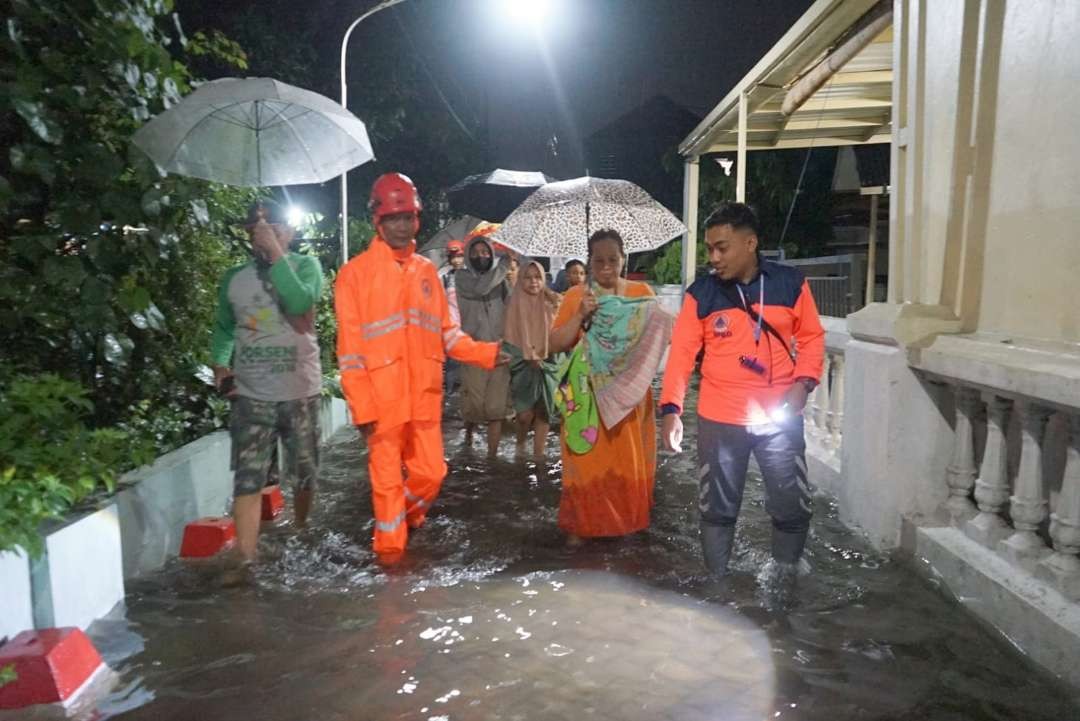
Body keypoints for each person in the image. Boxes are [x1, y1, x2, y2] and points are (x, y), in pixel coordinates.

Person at [335, 173, 503, 560]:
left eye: (408, 217)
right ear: (379, 220)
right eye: (394, 218)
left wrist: (490, 354)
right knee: (387, 486)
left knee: (432, 474)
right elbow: (349, 352)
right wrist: (362, 408)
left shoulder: (427, 272)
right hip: (381, 404)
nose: (402, 225)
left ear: (417, 219)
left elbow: (448, 335)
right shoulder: (354, 276)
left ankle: (401, 522)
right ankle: (391, 567)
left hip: (423, 400)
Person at [659, 202, 825, 575]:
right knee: (716, 508)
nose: (713, 258)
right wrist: (671, 409)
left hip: (780, 417)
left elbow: (812, 338)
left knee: (791, 503)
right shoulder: (701, 294)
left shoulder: (789, 283)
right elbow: (682, 354)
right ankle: (716, 583)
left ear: (750, 243)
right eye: (709, 249)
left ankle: (786, 575)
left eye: (722, 247)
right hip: (719, 419)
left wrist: (804, 383)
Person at [211, 200, 324, 563]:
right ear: (248, 235)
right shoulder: (234, 278)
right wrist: (220, 365)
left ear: (289, 232)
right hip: (251, 395)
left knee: (304, 472)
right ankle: (245, 560)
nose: (267, 234)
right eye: (260, 229)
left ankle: (302, 528)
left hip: (300, 391)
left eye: (276, 228)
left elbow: (298, 301)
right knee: (247, 477)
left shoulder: (307, 267)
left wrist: (276, 253)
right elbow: (225, 328)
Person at [548, 229, 661, 546]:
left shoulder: (641, 292)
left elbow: (655, 341)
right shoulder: (576, 296)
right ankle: (581, 529)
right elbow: (553, 343)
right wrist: (580, 316)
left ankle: (626, 528)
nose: (607, 267)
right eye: (599, 261)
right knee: (585, 465)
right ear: (590, 262)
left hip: (629, 400)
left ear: (623, 260)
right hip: (586, 401)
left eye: (613, 259)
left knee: (626, 466)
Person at [455, 232, 513, 458]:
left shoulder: (501, 280)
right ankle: (468, 435)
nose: (482, 256)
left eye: (485, 252)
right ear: (469, 256)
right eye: (477, 253)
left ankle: (492, 456)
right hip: (472, 350)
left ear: (491, 254)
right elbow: (481, 288)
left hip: (499, 350)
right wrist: (506, 263)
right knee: (474, 405)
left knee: (496, 408)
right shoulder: (462, 278)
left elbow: (512, 306)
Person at [503, 260, 562, 458]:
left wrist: (544, 356)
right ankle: (520, 445)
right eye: (527, 278)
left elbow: (560, 334)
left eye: (537, 277)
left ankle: (539, 454)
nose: (533, 282)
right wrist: (528, 357)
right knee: (524, 414)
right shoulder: (514, 303)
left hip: (548, 362)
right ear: (520, 280)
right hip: (522, 364)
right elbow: (510, 338)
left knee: (544, 411)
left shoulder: (551, 301)